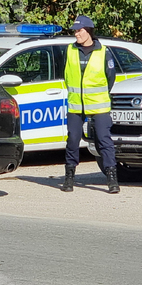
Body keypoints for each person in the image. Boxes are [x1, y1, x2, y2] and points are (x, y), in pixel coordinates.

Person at [61, 15, 120, 194]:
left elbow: (110, 78)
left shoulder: (103, 52)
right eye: (75, 31)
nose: (76, 34)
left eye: (79, 31)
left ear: (89, 31)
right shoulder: (70, 50)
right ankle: (69, 177)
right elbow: (66, 75)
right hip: (76, 105)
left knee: (103, 140)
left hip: (99, 105)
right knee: (72, 139)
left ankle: (112, 178)